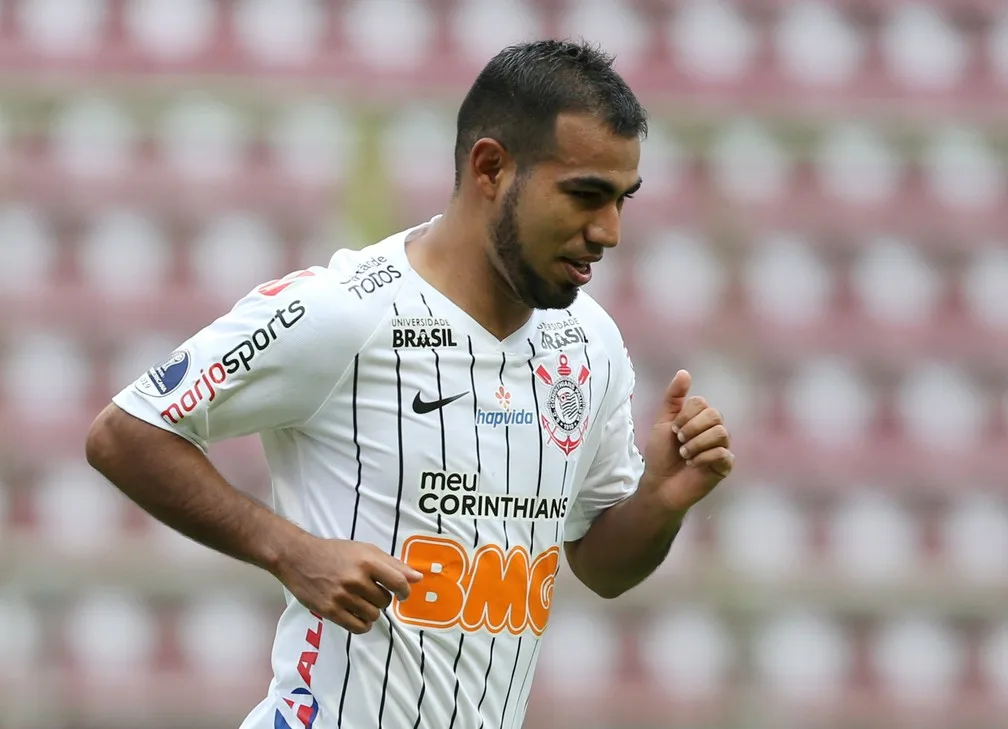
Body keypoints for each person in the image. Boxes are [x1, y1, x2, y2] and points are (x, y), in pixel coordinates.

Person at [85, 39, 734, 729]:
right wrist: (292, 551)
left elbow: (601, 567)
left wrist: (662, 501)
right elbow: (125, 432)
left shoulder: (590, 344)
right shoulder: (345, 310)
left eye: (623, 200)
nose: (608, 231)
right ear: (490, 167)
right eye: (586, 195)